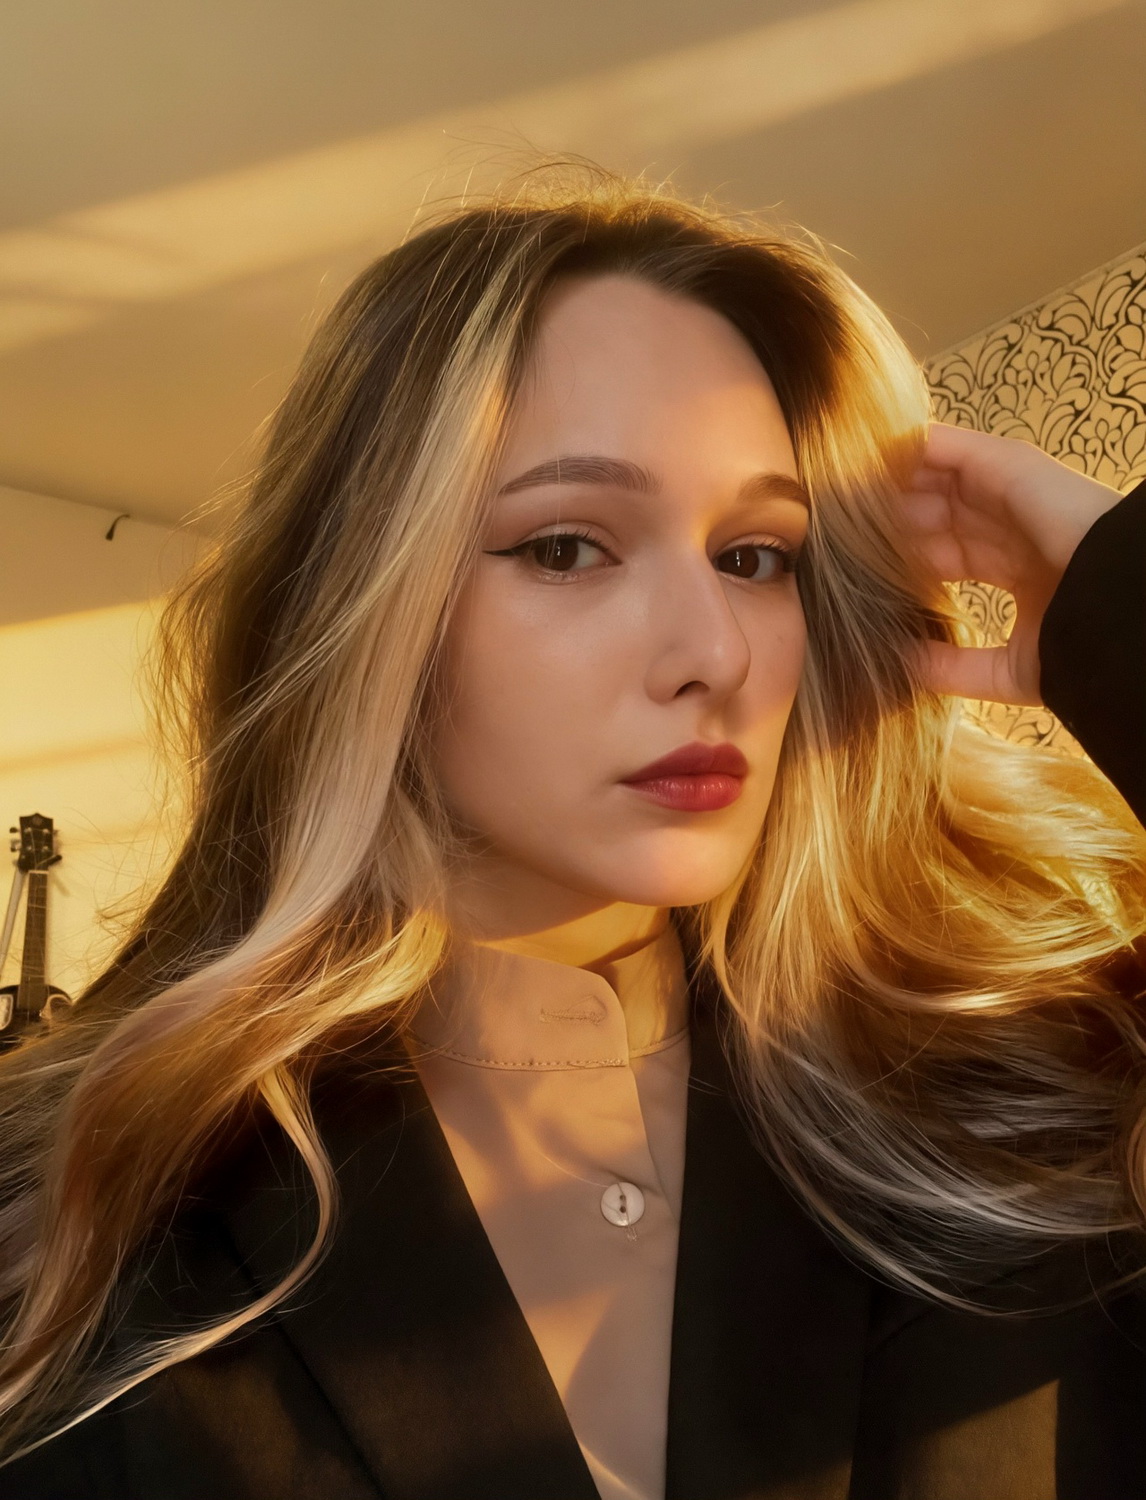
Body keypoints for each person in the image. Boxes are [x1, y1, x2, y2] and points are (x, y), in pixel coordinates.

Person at [0, 168, 1144, 1500]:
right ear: (364, 603)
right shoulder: (79, 1211)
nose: (714, 652)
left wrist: (1122, 603)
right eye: (564, 548)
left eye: (756, 556)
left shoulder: (1052, 1083)